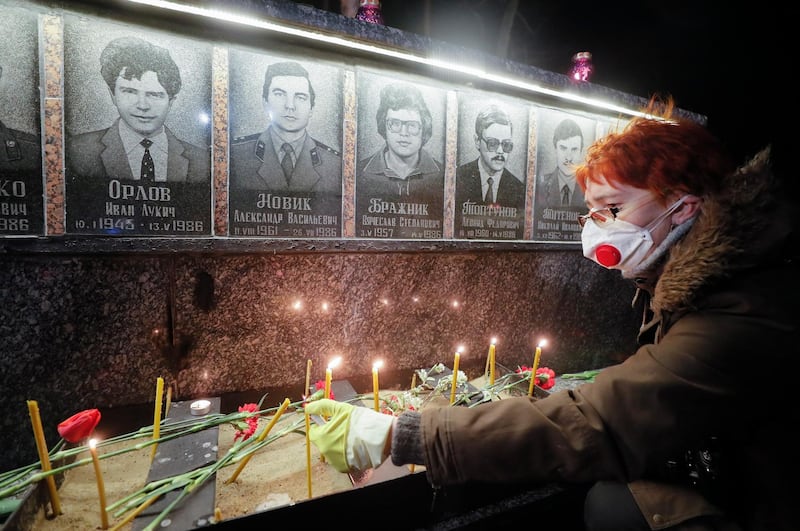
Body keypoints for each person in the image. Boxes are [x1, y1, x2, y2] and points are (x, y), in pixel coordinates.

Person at [307, 97, 799, 530]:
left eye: (612, 208)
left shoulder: (744, 309)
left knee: (614, 507)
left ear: (684, 209)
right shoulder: (690, 276)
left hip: (764, 504)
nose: (596, 229)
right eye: (591, 212)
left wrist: (400, 433)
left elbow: (603, 423)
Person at [67, 36, 209, 183]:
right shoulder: (77, 150)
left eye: (154, 95)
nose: (142, 106)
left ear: (171, 101)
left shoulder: (202, 161)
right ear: (113, 95)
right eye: (130, 92)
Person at [230, 61, 341, 193]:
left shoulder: (334, 163)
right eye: (279, 94)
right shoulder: (236, 154)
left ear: (311, 108)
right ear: (265, 102)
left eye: (300, 97)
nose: (290, 105)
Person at [356, 82, 443, 200]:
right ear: (384, 126)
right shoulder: (358, 173)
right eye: (395, 123)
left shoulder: (443, 175)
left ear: (424, 128)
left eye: (412, 125)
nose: (403, 133)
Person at [454, 104, 525, 210]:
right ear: (477, 141)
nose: (500, 151)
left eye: (506, 145)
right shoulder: (456, 179)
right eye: (492, 143)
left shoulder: (519, 190)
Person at [536, 117, 585, 207]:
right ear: (555, 149)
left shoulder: (590, 190)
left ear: (581, 152)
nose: (569, 157)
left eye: (574, 149)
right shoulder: (540, 187)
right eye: (563, 148)